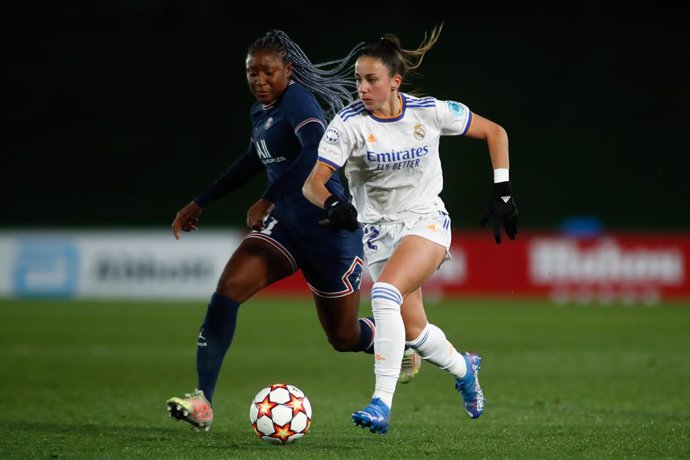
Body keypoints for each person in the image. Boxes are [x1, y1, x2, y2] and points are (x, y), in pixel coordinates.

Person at [165, 30, 421, 431]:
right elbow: (254, 158)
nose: (259, 80)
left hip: (329, 232)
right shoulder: (261, 112)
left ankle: (395, 342)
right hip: (286, 228)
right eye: (252, 72)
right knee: (227, 291)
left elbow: (314, 147)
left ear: (289, 71)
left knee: (343, 336)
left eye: (268, 72)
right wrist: (202, 201)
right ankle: (202, 401)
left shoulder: (298, 100)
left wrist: (267, 197)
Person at [303, 24, 518, 434]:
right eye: (357, 80)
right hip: (379, 234)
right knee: (415, 330)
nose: (362, 88)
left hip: (426, 221)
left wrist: (503, 190)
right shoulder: (346, 125)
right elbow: (312, 183)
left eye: (371, 80)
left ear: (394, 81)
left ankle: (380, 403)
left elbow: (496, 132)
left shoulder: (429, 111)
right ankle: (464, 368)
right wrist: (333, 203)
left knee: (383, 293)